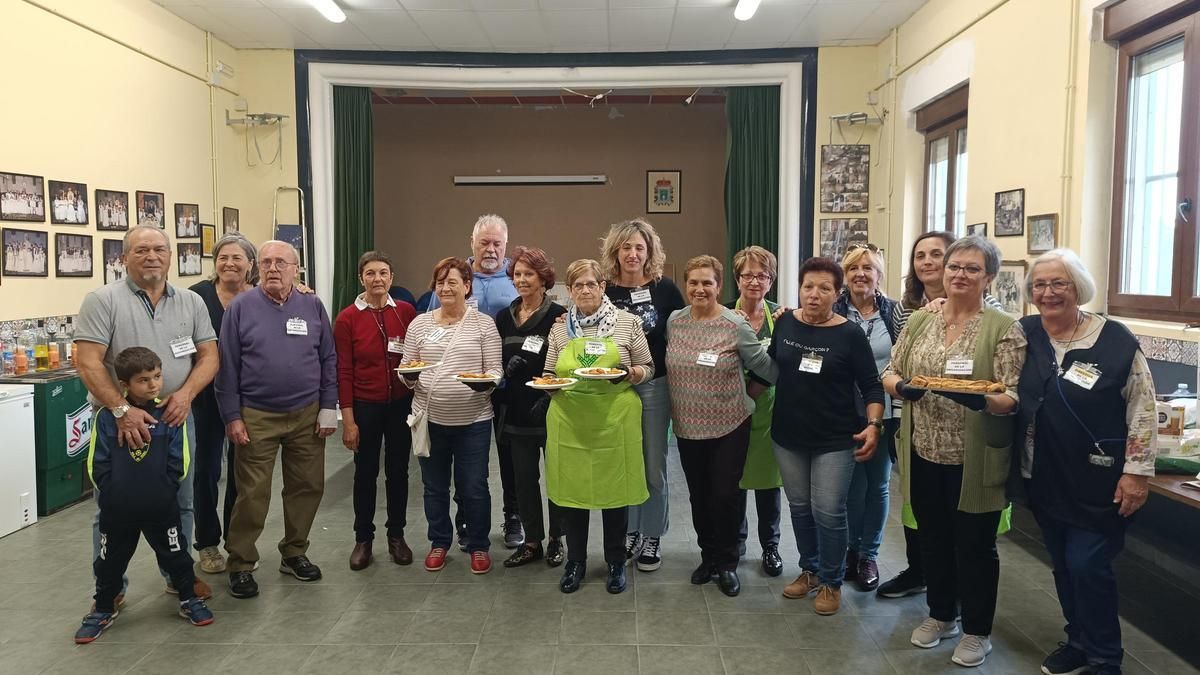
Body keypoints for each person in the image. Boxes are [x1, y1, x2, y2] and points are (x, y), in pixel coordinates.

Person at [882, 235, 1025, 668]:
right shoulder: (923, 321)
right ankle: (942, 615)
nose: (960, 275)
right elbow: (891, 370)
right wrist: (900, 388)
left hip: (974, 458)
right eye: (954, 266)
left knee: (975, 547)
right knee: (933, 539)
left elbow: (1013, 396)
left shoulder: (1004, 328)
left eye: (971, 269)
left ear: (989, 278)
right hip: (923, 450)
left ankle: (978, 630)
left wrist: (980, 398)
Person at [1017, 249, 1155, 675]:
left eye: (1059, 283)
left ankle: (1105, 658)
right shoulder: (1024, 333)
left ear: (1078, 288)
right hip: (1043, 474)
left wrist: (1136, 472)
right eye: (1040, 284)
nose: (1049, 292)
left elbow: (1144, 408)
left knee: (1088, 563)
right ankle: (1078, 641)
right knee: (1062, 564)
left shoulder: (1115, 339)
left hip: (1100, 478)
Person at [75, 225, 219, 608]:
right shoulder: (102, 300)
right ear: (124, 258)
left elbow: (208, 356)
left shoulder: (191, 302)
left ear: (171, 256)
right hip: (119, 423)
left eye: (159, 249)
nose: (151, 256)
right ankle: (110, 585)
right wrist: (122, 410)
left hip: (174, 416)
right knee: (112, 505)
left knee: (180, 501)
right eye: (141, 250)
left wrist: (186, 394)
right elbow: (87, 361)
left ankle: (178, 575)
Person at [878, 230, 1003, 600]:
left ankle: (966, 605)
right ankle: (927, 582)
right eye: (921, 256)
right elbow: (897, 362)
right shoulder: (911, 310)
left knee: (969, 533)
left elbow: (1007, 386)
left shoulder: (993, 318)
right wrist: (900, 389)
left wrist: (983, 398)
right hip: (916, 421)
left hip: (972, 439)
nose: (929, 263)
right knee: (923, 516)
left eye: (937, 255)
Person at [216, 240, 338, 599]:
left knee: (307, 486)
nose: (273, 268)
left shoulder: (311, 305)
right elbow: (228, 368)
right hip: (257, 415)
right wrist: (232, 417)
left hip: (306, 413)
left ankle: (295, 551)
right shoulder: (241, 307)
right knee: (252, 493)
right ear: (258, 268)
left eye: (281, 263)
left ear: (296, 270)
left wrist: (328, 407)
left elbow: (328, 358)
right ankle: (241, 562)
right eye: (266, 262)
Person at [75, 347, 215, 644]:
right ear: (125, 384)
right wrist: (113, 492)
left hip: (161, 506)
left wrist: (164, 489)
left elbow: (180, 461)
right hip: (118, 509)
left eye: (157, 376)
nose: (153, 385)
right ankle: (102, 608)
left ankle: (189, 599)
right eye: (143, 380)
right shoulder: (105, 419)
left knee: (176, 556)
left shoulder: (169, 415)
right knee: (109, 561)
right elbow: (96, 463)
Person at [771, 257, 884, 616]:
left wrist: (874, 424)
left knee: (829, 512)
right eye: (808, 287)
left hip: (836, 438)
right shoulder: (785, 322)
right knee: (801, 509)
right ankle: (810, 570)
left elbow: (872, 386)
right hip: (788, 435)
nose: (814, 295)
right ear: (799, 289)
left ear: (838, 294)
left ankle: (832, 582)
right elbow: (771, 366)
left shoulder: (849, 333)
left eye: (824, 288)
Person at [666, 255, 777, 597]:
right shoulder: (675, 321)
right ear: (686, 286)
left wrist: (748, 393)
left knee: (726, 495)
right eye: (694, 283)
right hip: (686, 425)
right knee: (699, 496)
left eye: (708, 282)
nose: (700, 289)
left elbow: (769, 368)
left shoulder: (735, 324)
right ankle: (708, 556)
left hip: (729, 423)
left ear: (719, 286)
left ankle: (728, 563)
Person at [544, 259, 654, 594]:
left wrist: (630, 373)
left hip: (614, 419)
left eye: (591, 283)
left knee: (614, 493)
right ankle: (575, 560)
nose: (585, 290)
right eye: (578, 285)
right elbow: (549, 372)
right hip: (570, 420)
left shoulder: (627, 323)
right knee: (574, 495)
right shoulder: (561, 327)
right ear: (570, 291)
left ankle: (616, 561)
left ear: (603, 286)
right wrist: (549, 383)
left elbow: (647, 367)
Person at [401, 257, 503, 575]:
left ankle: (479, 545)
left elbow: (495, 371)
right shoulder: (419, 324)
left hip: (474, 421)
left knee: (473, 486)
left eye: (453, 281)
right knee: (434, 487)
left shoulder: (483, 324)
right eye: (441, 282)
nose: (446, 287)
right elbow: (407, 368)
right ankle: (439, 542)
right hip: (429, 419)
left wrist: (484, 382)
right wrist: (409, 377)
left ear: (466, 286)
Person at [429, 214, 524, 550]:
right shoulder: (454, 278)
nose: (491, 249)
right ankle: (465, 521)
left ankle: (514, 516)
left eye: (497, 243)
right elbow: (429, 327)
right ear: (472, 244)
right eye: (484, 242)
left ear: (506, 246)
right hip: (460, 389)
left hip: (506, 384)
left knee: (511, 454)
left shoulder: (517, 277)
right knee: (468, 463)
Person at [601, 218, 685, 572]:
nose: (633, 254)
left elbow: (685, 329)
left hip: (654, 387)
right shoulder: (604, 290)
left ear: (650, 252)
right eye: (626, 247)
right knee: (624, 463)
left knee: (653, 465)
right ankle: (631, 530)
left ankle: (652, 534)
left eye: (640, 247)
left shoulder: (665, 290)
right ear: (615, 252)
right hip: (614, 388)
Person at [335, 251, 418, 571]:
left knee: (398, 472)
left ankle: (396, 536)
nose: (377, 279)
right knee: (365, 472)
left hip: (400, 405)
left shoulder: (407, 312)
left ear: (391, 278)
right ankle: (363, 538)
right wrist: (348, 420)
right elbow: (343, 370)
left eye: (383, 273)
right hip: (365, 406)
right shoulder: (347, 318)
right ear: (361, 278)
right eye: (370, 273)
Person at [493, 246, 568, 568]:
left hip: (550, 410)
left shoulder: (559, 316)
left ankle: (557, 539)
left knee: (558, 479)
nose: (522, 280)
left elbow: (566, 363)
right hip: (515, 413)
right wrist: (503, 374)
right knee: (523, 480)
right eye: (517, 274)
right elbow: (492, 362)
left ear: (543, 279)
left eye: (528, 274)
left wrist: (547, 394)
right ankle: (532, 541)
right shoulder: (503, 317)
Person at [187, 234, 258, 575]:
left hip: (249, 398)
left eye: (237, 258)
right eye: (223, 257)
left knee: (242, 472)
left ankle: (237, 540)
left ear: (250, 264)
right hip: (205, 399)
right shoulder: (196, 296)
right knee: (206, 471)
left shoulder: (259, 297)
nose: (230, 263)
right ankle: (207, 542)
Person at [832, 244, 900, 592]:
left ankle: (868, 555)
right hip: (844, 410)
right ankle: (850, 549)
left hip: (885, 412)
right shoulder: (833, 309)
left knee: (879, 484)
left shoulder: (896, 313)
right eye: (854, 267)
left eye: (868, 267)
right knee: (851, 487)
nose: (861, 273)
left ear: (879, 274)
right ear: (845, 274)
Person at [727, 246, 785, 578]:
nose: (754, 281)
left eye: (762, 275)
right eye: (747, 274)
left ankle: (772, 547)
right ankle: (736, 542)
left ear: (771, 281)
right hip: (732, 409)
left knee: (767, 484)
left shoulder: (782, 316)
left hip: (770, 411)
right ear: (737, 279)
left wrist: (757, 389)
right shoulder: (723, 316)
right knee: (734, 480)